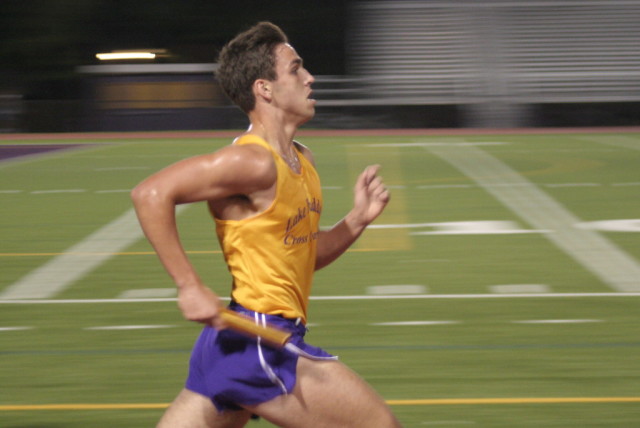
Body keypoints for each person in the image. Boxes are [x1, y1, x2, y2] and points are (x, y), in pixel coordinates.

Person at [131, 21, 401, 428]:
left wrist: (357, 219)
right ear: (265, 89)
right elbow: (150, 194)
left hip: (233, 341)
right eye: (296, 69)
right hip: (259, 341)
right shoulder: (251, 162)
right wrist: (188, 285)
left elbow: (304, 253)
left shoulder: (302, 160)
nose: (309, 78)